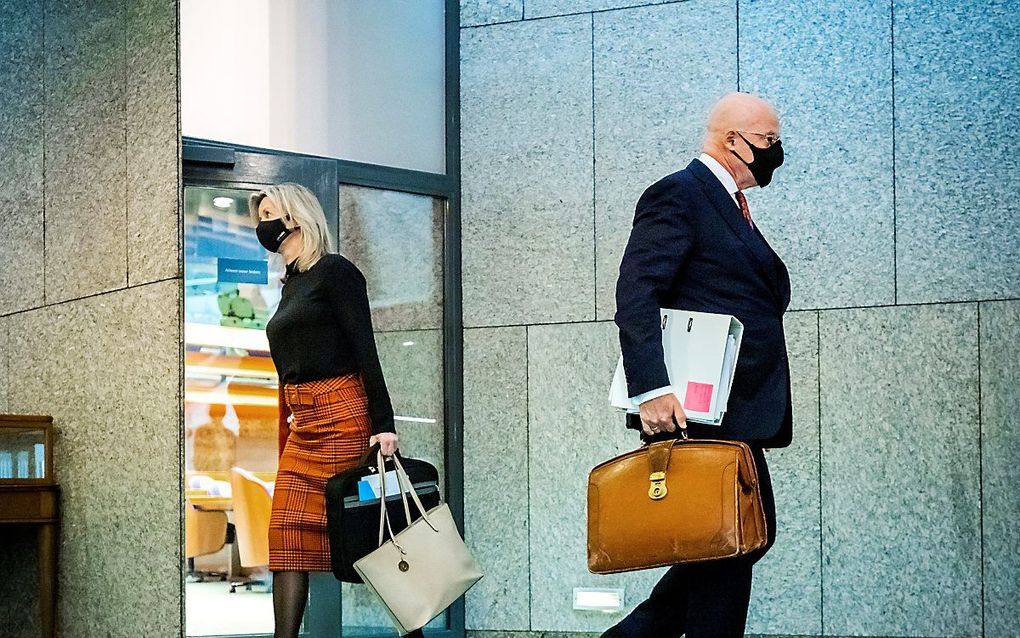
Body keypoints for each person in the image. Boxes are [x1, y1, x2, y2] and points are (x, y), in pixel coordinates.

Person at [605, 92, 792, 637]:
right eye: (769, 141)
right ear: (733, 140)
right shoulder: (681, 195)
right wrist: (651, 388)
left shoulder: (728, 203)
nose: (777, 152)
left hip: (737, 409)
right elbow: (637, 291)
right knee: (727, 546)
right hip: (700, 413)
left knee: (738, 541)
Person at [252, 183, 422, 638]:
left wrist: (383, 425)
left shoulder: (335, 273)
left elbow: (365, 348)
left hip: (343, 416)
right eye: (259, 215)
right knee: (285, 536)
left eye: (269, 213)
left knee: (372, 538)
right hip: (302, 425)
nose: (261, 225)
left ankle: (417, 633)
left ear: (295, 216)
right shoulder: (291, 287)